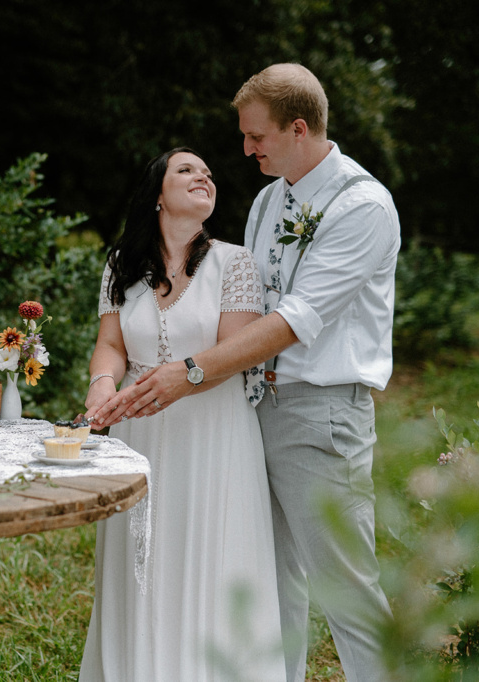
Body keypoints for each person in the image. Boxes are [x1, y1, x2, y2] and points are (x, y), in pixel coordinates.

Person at [91, 64, 400, 682]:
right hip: (257, 407)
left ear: (298, 128)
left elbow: (293, 319)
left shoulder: (362, 205)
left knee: (345, 581)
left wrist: (191, 372)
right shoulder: (269, 198)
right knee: (270, 579)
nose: (245, 149)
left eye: (256, 136)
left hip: (321, 409)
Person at [79, 147, 286, 681]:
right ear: (157, 194)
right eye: (187, 170)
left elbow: (232, 356)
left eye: (209, 173)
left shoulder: (233, 262)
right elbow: (111, 343)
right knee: (140, 559)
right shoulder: (120, 265)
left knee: (208, 557)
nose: (204, 177)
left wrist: (176, 383)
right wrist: (103, 385)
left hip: (213, 429)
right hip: (135, 430)